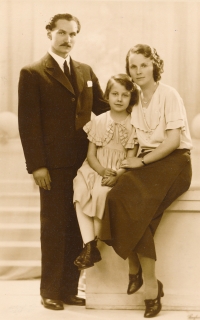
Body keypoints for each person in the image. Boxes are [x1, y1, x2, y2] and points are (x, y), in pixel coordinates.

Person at [18, 13, 109, 311]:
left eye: (72, 34)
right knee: (54, 227)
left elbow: (105, 108)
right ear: (49, 33)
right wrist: (37, 166)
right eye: (61, 33)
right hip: (52, 167)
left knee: (76, 225)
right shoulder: (32, 73)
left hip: (84, 165)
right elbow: (28, 124)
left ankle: (69, 289)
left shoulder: (85, 71)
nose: (67, 39)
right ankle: (50, 291)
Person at [104, 44, 192, 318]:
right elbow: (131, 141)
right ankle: (142, 275)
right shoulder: (134, 100)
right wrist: (121, 169)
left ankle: (145, 281)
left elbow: (173, 141)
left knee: (136, 210)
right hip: (150, 163)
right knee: (117, 195)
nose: (138, 71)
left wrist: (140, 163)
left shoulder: (169, 94)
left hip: (175, 163)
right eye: (133, 66)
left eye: (143, 64)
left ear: (154, 65)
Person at [73, 74, 139, 270]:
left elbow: (131, 157)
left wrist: (117, 175)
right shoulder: (100, 121)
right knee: (80, 190)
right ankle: (90, 245)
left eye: (125, 95)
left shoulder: (133, 123)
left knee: (102, 195)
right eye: (115, 94)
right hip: (95, 167)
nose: (119, 99)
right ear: (107, 96)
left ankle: (95, 242)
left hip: (118, 171)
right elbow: (91, 154)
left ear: (130, 98)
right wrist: (101, 170)